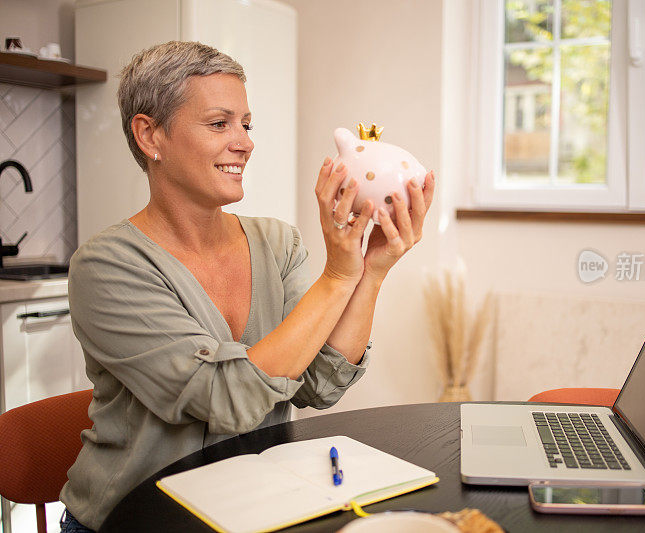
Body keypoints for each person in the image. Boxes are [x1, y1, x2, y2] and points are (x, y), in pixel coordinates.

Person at [59, 41, 434, 532]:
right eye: (220, 124)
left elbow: (322, 382)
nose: (245, 142)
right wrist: (338, 276)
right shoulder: (105, 267)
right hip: (139, 519)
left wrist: (372, 269)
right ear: (149, 134)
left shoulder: (276, 242)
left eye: (246, 124)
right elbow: (225, 399)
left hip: (253, 508)